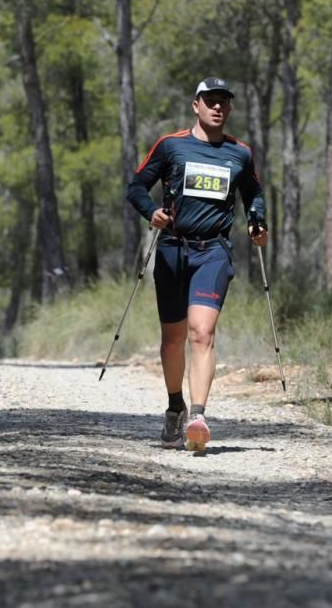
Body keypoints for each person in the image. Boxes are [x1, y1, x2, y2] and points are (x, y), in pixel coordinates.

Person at [126, 77, 268, 451]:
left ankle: (199, 416)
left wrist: (258, 221)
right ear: (196, 106)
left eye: (224, 101)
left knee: (201, 332)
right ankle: (176, 406)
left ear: (230, 109)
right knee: (172, 340)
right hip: (173, 249)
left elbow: (254, 193)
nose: (217, 107)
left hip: (214, 252)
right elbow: (136, 186)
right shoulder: (171, 146)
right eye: (211, 101)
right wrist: (151, 212)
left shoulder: (240, 154)